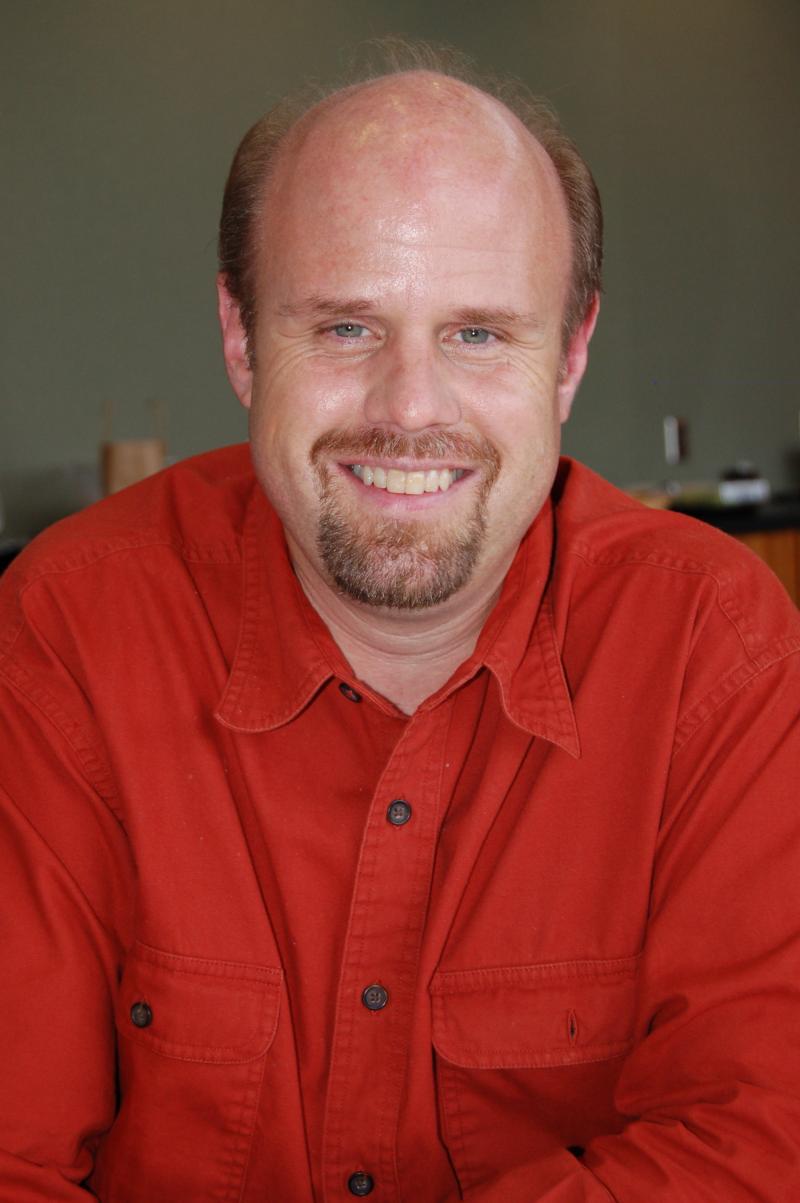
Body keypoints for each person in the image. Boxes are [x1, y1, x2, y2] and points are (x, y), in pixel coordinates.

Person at [1, 45, 798, 1203]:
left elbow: (758, 1141)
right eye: (344, 328)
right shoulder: (70, 629)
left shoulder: (711, 648)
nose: (409, 407)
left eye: (478, 333)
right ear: (241, 340)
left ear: (569, 355)